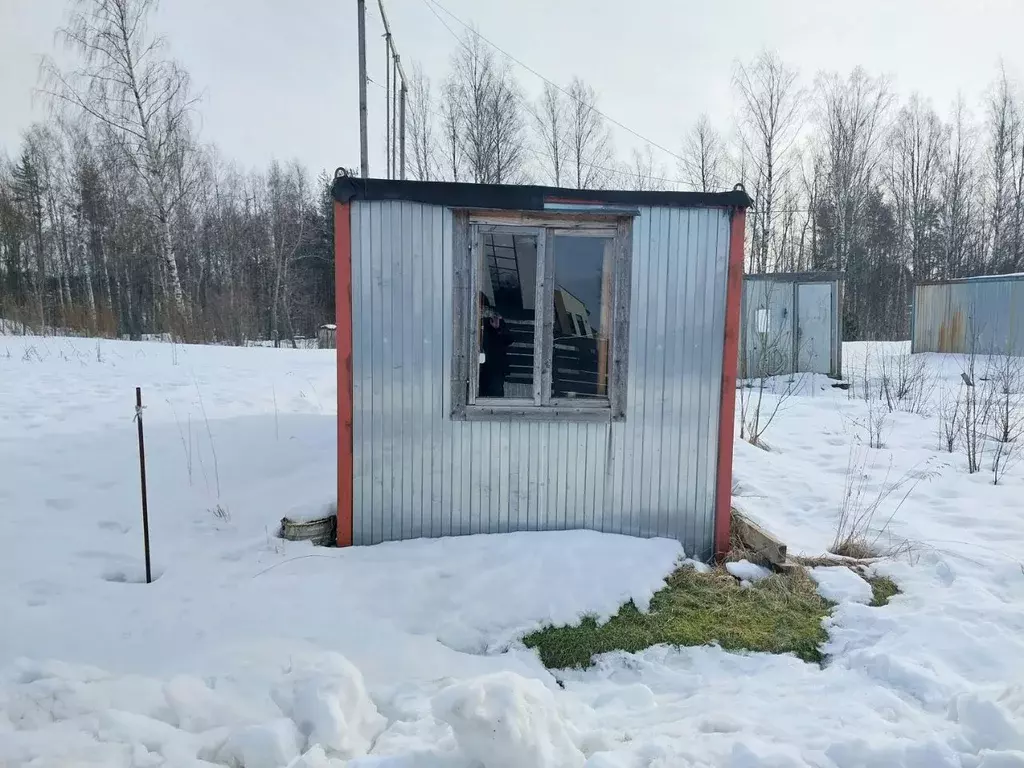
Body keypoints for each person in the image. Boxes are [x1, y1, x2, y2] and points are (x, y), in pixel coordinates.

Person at [479, 301, 513, 398]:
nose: (481, 310)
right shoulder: (464, 322)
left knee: (494, 391)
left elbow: (509, 339)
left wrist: (498, 328)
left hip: (494, 366)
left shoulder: (493, 319)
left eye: (483, 307)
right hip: (476, 368)